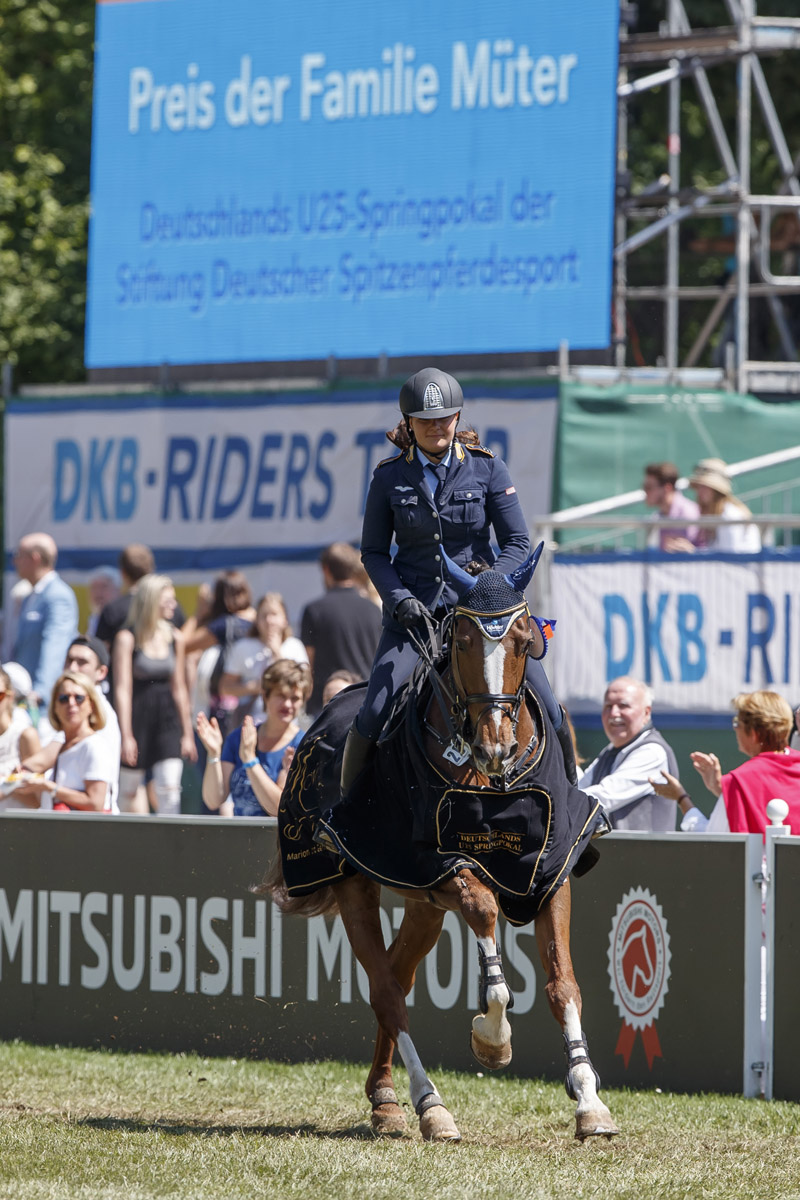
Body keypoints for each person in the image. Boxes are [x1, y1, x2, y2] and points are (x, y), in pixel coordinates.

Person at [341, 365, 570, 794]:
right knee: (374, 710)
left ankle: (574, 801)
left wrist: (491, 588)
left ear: (457, 419)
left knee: (551, 708)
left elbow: (518, 541)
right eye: (425, 421)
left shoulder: (488, 469)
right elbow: (373, 552)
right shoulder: (389, 477)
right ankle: (347, 815)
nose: (435, 427)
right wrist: (398, 598)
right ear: (409, 423)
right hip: (416, 615)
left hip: (486, 616)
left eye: (443, 418)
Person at [651, 691, 800, 834]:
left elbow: (714, 841)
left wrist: (681, 798)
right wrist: (721, 790)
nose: (735, 729)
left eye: (737, 723)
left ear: (754, 734)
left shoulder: (740, 780)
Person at [113, 574, 196, 815]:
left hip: (168, 717)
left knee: (170, 789)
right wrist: (125, 734)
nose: (174, 605)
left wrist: (187, 732)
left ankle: (171, 848)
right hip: (137, 716)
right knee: (128, 790)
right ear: (151, 601)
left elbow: (179, 687)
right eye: (168, 599)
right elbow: (122, 688)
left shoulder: (175, 636)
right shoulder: (127, 638)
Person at [196, 659, 311, 817]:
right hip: (240, 838)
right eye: (281, 695)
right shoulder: (239, 738)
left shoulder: (303, 745)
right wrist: (213, 754)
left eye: (295, 698)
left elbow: (279, 809)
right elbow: (214, 800)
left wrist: (250, 760)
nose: (288, 704)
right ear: (265, 696)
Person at [20, 635, 121, 807]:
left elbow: (95, 804)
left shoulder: (97, 726)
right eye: (69, 660)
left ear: (101, 672)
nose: (73, 668)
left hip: (90, 830)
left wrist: (47, 786)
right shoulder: (68, 719)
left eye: (82, 662)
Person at [579, 676, 678, 832]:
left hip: (645, 855)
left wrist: (552, 802)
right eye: (608, 706)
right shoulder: (609, 751)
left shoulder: (652, 752)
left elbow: (604, 796)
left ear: (647, 713)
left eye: (623, 706)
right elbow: (579, 787)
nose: (614, 713)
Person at [300, 542, 383, 717]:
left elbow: (309, 661)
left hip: (326, 705)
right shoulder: (373, 610)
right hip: (364, 702)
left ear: (326, 570)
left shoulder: (314, 610)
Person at [182, 570, 257, 738]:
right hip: (252, 705)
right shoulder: (257, 621)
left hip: (223, 709)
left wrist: (198, 613)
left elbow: (183, 645)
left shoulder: (224, 625)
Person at [12, 533, 78, 715]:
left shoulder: (58, 596)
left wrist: (41, 692)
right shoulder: (30, 596)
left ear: (35, 558)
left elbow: (55, 645)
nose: (15, 561)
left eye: (19, 555)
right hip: (23, 697)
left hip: (40, 705)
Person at [218, 593, 308, 724]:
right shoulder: (243, 647)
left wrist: (277, 652)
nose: (269, 620)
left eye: (274, 614)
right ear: (257, 620)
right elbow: (225, 687)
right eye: (264, 615)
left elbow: (306, 687)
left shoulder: (295, 647)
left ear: (285, 619)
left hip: (288, 724)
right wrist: (256, 687)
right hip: (252, 723)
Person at [688, 458, 761, 552]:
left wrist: (693, 552)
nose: (700, 491)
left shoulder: (729, 515)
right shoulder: (719, 514)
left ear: (716, 491)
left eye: (705, 486)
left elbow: (729, 557)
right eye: (699, 486)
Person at [0, 666, 41, 810]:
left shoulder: (24, 735)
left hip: (18, 827)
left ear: (10, 697)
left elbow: (38, 800)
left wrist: (9, 784)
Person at [642, 461, 701, 551]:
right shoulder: (657, 517)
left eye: (649, 487)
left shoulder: (689, 513)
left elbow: (702, 552)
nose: (645, 491)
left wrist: (692, 551)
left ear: (667, 488)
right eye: (644, 487)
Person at [85, 566, 122, 636]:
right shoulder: (93, 619)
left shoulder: (123, 621)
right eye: (94, 587)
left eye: (104, 587)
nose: (98, 593)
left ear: (117, 591)